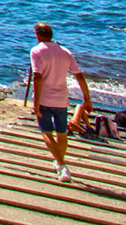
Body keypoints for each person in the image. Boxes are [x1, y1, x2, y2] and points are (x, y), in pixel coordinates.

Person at [29, 22, 90, 182]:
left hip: (44, 99)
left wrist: (36, 102)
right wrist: (87, 98)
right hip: (62, 99)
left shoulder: (36, 51)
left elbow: (37, 76)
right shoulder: (65, 52)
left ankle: (62, 166)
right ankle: (59, 162)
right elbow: (79, 76)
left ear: (37, 35)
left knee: (46, 132)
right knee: (62, 133)